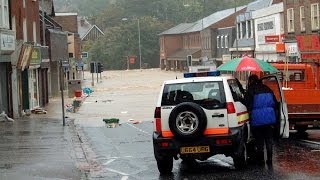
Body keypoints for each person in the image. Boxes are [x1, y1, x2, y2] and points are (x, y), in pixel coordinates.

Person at [245, 74, 277, 166]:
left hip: (257, 119)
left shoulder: (250, 91)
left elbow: (247, 104)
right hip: (270, 119)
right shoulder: (267, 89)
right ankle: (270, 160)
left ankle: (261, 160)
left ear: (250, 81)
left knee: (259, 141)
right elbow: (274, 103)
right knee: (269, 139)